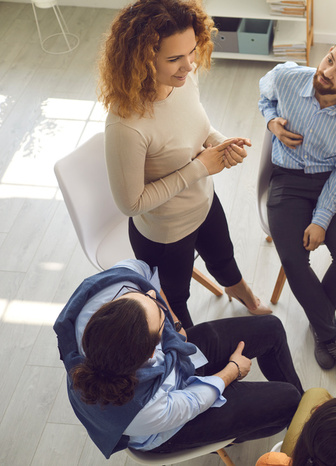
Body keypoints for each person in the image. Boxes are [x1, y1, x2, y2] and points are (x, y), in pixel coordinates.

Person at [99, 0, 270, 330]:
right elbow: (130, 204)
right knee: (175, 298)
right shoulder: (126, 124)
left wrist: (218, 143)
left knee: (223, 256)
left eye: (192, 51)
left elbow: (197, 127)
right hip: (165, 232)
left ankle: (241, 292)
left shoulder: (182, 79)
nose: (189, 65)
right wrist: (201, 168)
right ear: (143, 58)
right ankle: (191, 351)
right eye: (175, 58)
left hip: (204, 201)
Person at [53, 259, 303, 458]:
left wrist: (174, 321)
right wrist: (233, 370)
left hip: (178, 363)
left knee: (271, 328)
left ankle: (305, 410)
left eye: (144, 297)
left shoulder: (107, 294)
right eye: (159, 316)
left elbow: (146, 277)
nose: (153, 296)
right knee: (287, 400)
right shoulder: (140, 411)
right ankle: (272, 426)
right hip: (171, 426)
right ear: (153, 351)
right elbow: (194, 401)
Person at [258, 36, 336, 381]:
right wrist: (271, 121)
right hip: (287, 178)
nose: (326, 73)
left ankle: (323, 327)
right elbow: (264, 94)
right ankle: (331, 334)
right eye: (328, 60)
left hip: (333, 181)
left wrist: (321, 219)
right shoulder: (287, 77)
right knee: (294, 259)